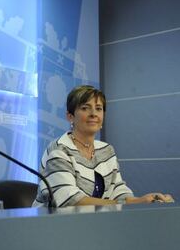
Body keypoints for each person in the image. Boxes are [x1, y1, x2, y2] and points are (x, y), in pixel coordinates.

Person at [33, 85, 174, 207]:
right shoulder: (59, 150)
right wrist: (131, 203)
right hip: (54, 227)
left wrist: (147, 200)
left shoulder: (106, 150)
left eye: (98, 108)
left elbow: (118, 190)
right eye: (85, 108)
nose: (93, 114)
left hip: (95, 223)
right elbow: (70, 200)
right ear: (70, 116)